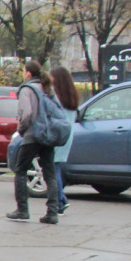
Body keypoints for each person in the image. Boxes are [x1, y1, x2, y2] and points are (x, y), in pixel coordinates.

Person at [5, 59, 59, 225]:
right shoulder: (48, 88)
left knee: (20, 171)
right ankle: (52, 212)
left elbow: (26, 114)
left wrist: (21, 130)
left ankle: (22, 209)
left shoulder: (26, 89)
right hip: (48, 135)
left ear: (28, 73)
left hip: (32, 135)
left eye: (24, 70)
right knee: (49, 173)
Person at [48, 66, 81, 215]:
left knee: (53, 171)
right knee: (56, 169)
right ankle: (61, 200)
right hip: (67, 136)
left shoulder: (55, 95)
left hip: (55, 136)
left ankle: (60, 202)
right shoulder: (72, 95)